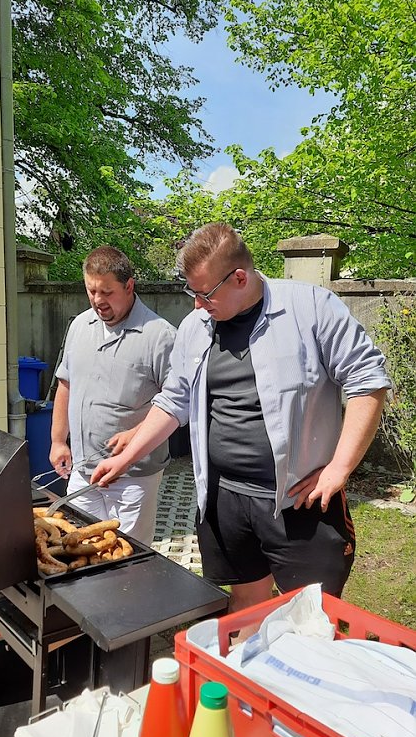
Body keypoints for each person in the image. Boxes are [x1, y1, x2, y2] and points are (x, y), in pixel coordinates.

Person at [90, 223, 391, 617]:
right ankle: (245, 675)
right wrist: (127, 457)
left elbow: (368, 381)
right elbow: (174, 400)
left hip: (298, 500)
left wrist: (340, 467)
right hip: (224, 498)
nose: (197, 304)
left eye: (204, 293)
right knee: (246, 604)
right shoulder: (195, 328)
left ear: (239, 278)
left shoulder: (311, 308)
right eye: (191, 292)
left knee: (312, 617)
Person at [49, 245, 176, 545]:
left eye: (107, 292)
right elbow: (65, 384)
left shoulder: (161, 336)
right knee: (77, 551)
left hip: (133, 479)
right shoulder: (79, 326)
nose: (97, 300)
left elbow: (177, 404)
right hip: (82, 472)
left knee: (126, 561)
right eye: (91, 291)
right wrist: (57, 440)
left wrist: (135, 433)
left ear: (129, 286)